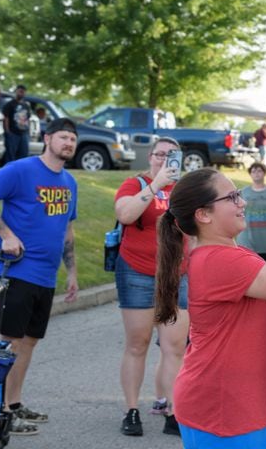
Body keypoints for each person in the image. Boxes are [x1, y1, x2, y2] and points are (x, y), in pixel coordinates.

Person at [154, 168, 266, 448]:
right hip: (221, 408)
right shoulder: (221, 260)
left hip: (238, 406)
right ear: (204, 214)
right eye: (233, 197)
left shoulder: (235, 254)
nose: (243, 202)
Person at [0, 118, 79, 436]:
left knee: (29, 342)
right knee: (6, 343)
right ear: (48, 138)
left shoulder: (70, 182)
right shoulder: (20, 170)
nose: (69, 143)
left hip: (46, 276)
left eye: (73, 139)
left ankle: (13, 403)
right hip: (16, 271)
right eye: (64, 137)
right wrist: (7, 234)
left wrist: (72, 272)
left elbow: (67, 228)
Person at [114, 136, 189, 437]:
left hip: (177, 275)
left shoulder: (185, 191)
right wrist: (156, 184)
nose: (165, 160)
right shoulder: (135, 184)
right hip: (138, 272)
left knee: (176, 347)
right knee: (137, 343)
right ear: (151, 157)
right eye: (160, 154)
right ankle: (132, 410)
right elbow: (126, 215)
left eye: (172, 155)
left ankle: (173, 409)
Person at [236, 162, 266, 264]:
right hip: (247, 243)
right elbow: (235, 215)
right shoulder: (243, 193)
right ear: (250, 174)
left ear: (264, 173)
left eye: (259, 171)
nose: (256, 173)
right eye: (253, 171)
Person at [2, 84, 32, 163]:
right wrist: (7, 131)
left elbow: (28, 119)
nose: (21, 93)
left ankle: (21, 171)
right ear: (16, 92)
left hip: (24, 133)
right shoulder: (10, 104)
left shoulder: (26, 105)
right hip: (13, 132)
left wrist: (28, 131)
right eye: (20, 91)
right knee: (11, 154)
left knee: (23, 154)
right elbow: (6, 118)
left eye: (23, 92)